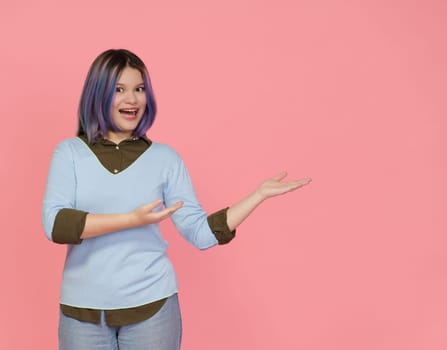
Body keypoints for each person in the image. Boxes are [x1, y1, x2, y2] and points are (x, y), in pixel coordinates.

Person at [42, 48, 311, 350]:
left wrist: (257, 195)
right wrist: (132, 220)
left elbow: (200, 233)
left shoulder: (165, 159)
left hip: (153, 309)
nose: (132, 99)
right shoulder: (70, 153)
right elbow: (55, 225)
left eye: (139, 89)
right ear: (98, 94)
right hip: (83, 313)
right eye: (119, 90)